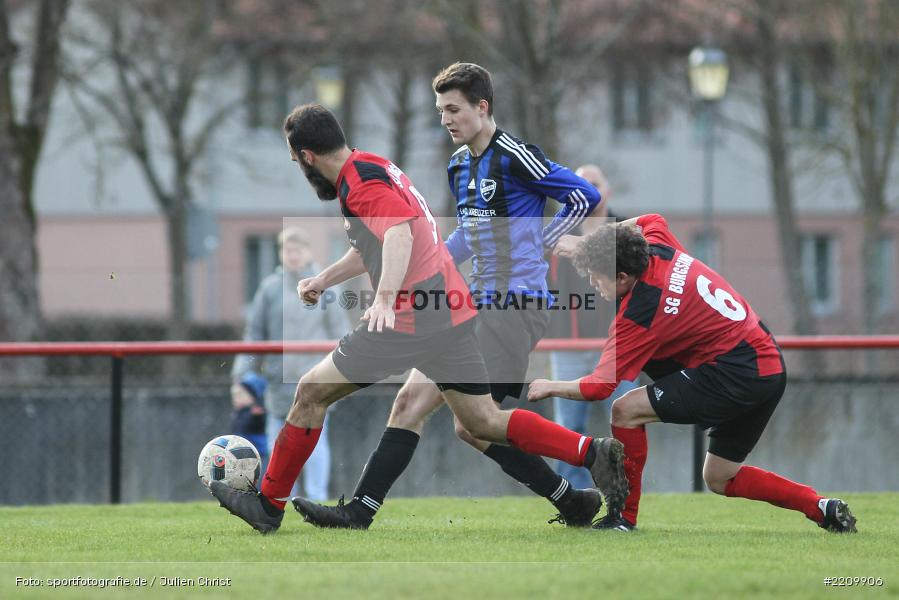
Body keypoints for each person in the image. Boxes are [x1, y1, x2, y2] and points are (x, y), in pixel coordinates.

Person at [208, 103, 627, 534]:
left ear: (307, 157)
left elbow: (398, 233)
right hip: (449, 312)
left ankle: (268, 505)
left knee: (311, 392)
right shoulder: (372, 166)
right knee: (478, 421)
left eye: (296, 161)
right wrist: (324, 279)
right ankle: (591, 453)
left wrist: (385, 299)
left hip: (412, 316)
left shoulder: (360, 183)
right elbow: (374, 242)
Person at [292, 62, 607, 531]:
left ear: (482, 107)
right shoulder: (459, 165)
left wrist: (545, 239)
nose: (446, 119)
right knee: (433, 412)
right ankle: (574, 498)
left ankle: (592, 457)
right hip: (472, 303)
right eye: (440, 111)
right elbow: (465, 237)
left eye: (454, 109)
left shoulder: (516, 155)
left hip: (515, 305)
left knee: (472, 421)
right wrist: (432, 260)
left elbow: (584, 197)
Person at [528, 214, 858, 533]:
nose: (591, 283)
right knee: (720, 477)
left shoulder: (639, 313)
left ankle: (623, 518)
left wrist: (549, 385)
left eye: (596, 276)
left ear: (623, 277)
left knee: (625, 411)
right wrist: (588, 244)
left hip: (734, 372)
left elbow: (598, 387)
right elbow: (650, 219)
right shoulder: (658, 246)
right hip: (768, 364)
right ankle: (820, 506)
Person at [232, 227, 350, 501]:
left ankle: (316, 499)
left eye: (298, 250)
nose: (293, 255)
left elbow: (340, 333)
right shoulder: (270, 289)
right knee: (278, 444)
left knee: (316, 443)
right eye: (287, 250)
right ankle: (279, 498)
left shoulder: (326, 288)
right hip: (278, 382)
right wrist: (241, 376)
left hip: (317, 378)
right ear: (280, 253)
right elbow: (254, 334)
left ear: (308, 251)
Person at [547, 164, 638, 490]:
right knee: (567, 429)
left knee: (628, 419)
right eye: (581, 184)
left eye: (595, 184)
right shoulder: (556, 235)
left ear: (607, 191)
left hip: (618, 347)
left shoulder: (626, 230)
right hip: (567, 347)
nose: (589, 190)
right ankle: (574, 495)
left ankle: (627, 490)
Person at [230, 372, 269, 460]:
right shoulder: (239, 413)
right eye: (233, 395)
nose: (235, 399)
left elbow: (246, 426)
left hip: (258, 456)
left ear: (252, 396)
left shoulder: (256, 412)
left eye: (239, 394)